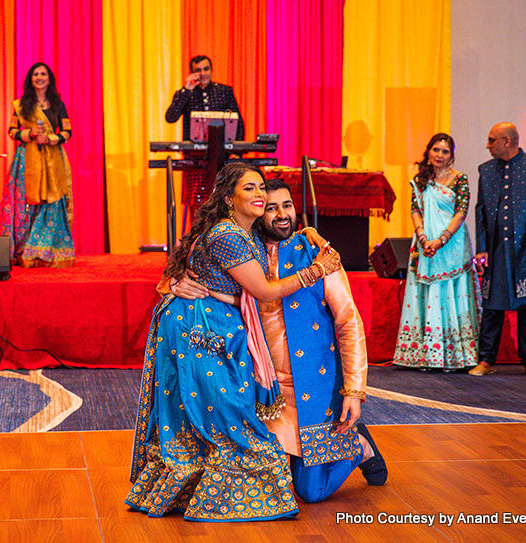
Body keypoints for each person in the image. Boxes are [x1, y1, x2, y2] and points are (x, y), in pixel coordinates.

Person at [126, 163, 341, 521]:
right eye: (249, 189)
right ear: (228, 199)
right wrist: (316, 270)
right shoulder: (228, 236)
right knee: (224, 415)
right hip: (201, 329)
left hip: (215, 323)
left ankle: (187, 493)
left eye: (261, 188)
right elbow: (265, 291)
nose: (260, 195)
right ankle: (223, 495)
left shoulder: (246, 231)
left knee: (204, 415)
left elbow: (240, 272)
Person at [170, 177, 387, 504]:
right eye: (271, 208)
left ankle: (359, 446)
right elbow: (189, 263)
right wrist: (176, 281)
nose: (282, 214)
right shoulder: (241, 251)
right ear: (256, 212)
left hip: (314, 390)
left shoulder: (316, 253)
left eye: (287, 205)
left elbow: (348, 322)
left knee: (311, 492)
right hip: (261, 392)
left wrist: (354, 391)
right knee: (256, 484)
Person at [470, 122, 526, 377]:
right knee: (492, 306)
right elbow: (481, 211)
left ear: (507, 141)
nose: (487, 145)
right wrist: (482, 248)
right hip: (496, 251)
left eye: (491, 140)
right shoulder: (486, 170)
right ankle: (486, 360)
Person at [393, 133, 481, 371]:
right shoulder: (420, 179)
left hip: (451, 246)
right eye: (436, 150)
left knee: (450, 294)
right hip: (425, 245)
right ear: (428, 151)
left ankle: (454, 357)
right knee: (427, 294)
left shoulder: (459, 179)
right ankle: (426, 356)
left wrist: (441, 240)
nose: (440, 155)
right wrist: (423, 237)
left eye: (445, 151)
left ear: (452, 156)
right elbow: (414, 209)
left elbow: (461, 212)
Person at [0, 62, 75, 268]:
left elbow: (67, 132)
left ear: (49, 79)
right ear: (31, 79)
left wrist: (51, 139)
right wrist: (28, 134)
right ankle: (24, 250)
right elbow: (12, 131)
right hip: (26, 160)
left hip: (53, 160)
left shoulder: (58, 104)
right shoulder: (22, 105)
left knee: (52, 201)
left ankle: (47, 251)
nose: (39, 77)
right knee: (25, 202)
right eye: (35, 74)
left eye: (43, 74)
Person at [165, 55, 246, 223]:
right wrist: (186, 90)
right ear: (192, 73)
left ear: (211, 70)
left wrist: (238, 152)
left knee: (225, 201)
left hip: (223, 158)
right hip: (195, 159)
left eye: (206, 69)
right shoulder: (186, 93)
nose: (203, 73)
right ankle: (196, 241)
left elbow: (238, 123)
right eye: (198, 70)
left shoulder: (224, 91)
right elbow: (171, 117)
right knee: (196, 203)